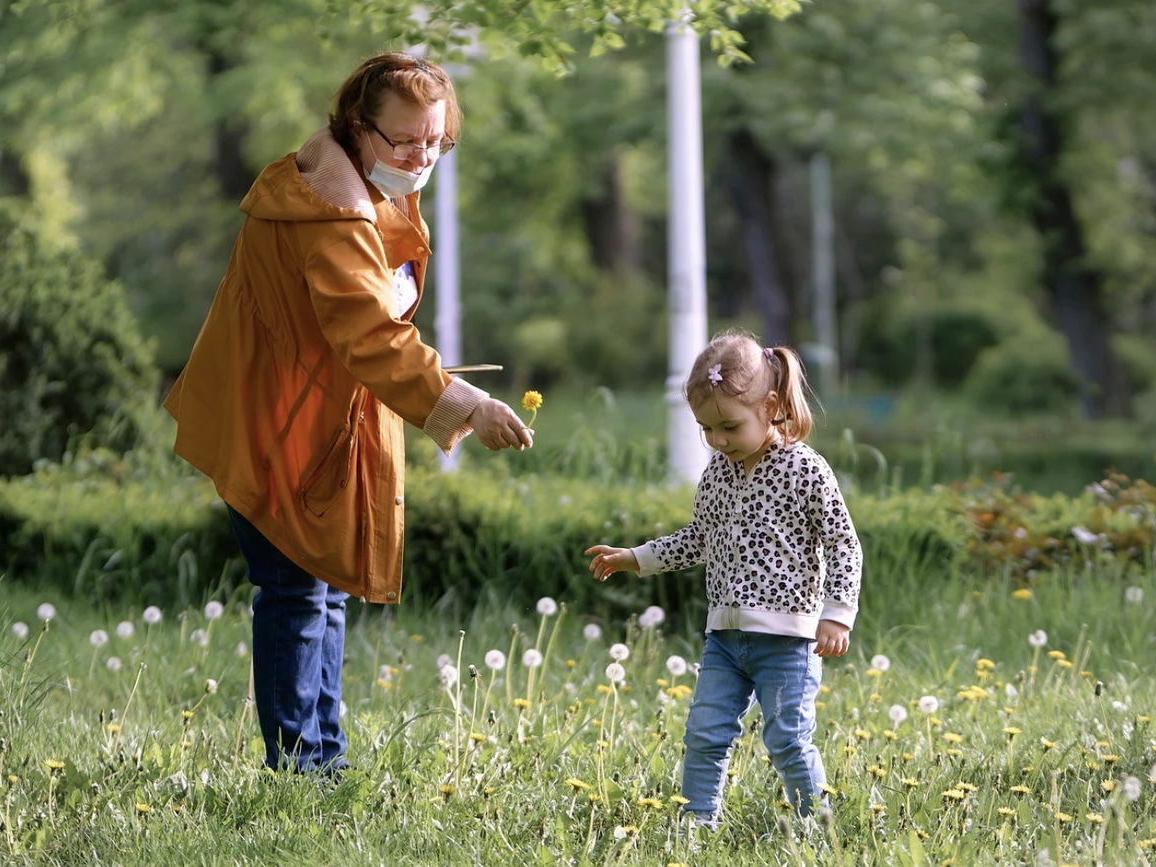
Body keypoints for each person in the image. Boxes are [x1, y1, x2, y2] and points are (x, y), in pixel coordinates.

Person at [163, 52, 533, 774]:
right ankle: (300, 768)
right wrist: (466, 402)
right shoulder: (328, 209)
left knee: (321, 592)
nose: (421, 156)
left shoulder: (370, 188)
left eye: (435, 139)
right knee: (298, 594)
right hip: (278, 422)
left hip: (312, 419)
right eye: (404, 140)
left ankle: (321, 760)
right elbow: (369, 333)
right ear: (358, 129)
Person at [585, 328, 862, 824]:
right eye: (706, 429)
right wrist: (636, 557)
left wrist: (837, 615)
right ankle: (696, 823)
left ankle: (818, 825)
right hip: (724, 638)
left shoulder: (805, 470)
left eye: (730, 427)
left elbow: (843, 542)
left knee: (787, 737)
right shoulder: (716, 473)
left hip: (788, 640)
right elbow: (698, 538)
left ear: (770, 404)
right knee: (705, 732)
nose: (717, 440)